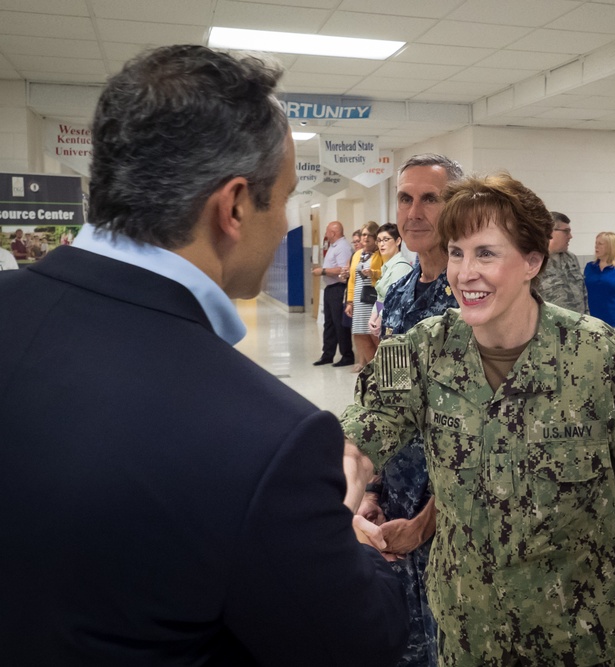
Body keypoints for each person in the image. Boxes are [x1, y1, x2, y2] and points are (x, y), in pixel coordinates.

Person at [0, 44, 406, 665]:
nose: (286, 222)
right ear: (236, 205)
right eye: (286, 196)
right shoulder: (267, 439)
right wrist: (337, 525)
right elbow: (363, 643)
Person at [343, 172, 615, 666]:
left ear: (532, 261)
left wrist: (570, 515)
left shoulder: (597, 355)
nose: (464, 272)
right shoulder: (419, 352)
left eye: (486, 253)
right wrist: (340, 506)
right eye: (456, 252)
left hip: (592, 634)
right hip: (471, 632)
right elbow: (358, 443)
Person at [357, 153, 462, 667]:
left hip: (455, 519)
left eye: (430, 198)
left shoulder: (474, 302)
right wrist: (374, 489)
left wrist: (426, 522)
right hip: (399, 508)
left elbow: (492, 436)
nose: (414, 212)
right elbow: (386, 406)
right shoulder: (397, 295)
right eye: (405, 198)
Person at [311, 220, 353, 366]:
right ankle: (327, 354)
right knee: (329, 324)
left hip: (338, 289)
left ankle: (347, 355)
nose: (325, 234)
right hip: (330, 289)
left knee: (339, 324)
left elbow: (343, 270)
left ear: (333, 233)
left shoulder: (343, 247)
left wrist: (322, 271)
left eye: (327, 231)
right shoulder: (333, 246)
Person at [345, 221, 384, 372]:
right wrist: (349, 301)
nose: (365, 238)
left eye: (369, 235)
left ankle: (381, 369)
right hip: (359, 300)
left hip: (374, 299)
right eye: (363, 235)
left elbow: (385, 272)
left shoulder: (380, 254)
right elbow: (352, 280)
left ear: (375, 237)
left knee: (374, 334)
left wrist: (373, 273)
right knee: (360, 334)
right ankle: (371, 368)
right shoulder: (356, 255)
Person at [585, 230, 615, 337]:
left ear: (611, 247)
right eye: (595, 243)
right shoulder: (590, 267)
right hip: (594, 323)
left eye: (600, 244)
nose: (596, 247)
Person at [367, 222, 412, 338]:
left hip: (398, 325)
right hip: (387, 322)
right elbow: (381, 297)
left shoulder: (401, 266)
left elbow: (395, 300)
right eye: (379, 240)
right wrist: (374, 316)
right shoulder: (387, 267)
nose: (381, 244)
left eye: (386, 239)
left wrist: (380, 318)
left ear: (398, 241)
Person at [537, 211, 588, 313]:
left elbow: (583, 292)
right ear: (550, 232)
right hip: (550, 326)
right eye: (566, 231)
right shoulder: (535, 261)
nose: (570, 236)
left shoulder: (571, 258)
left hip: (578, 324)